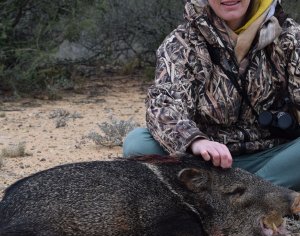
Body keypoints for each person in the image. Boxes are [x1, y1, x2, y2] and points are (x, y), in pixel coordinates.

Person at [123, 0, 300, 191]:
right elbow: (164, 103)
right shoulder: (182, 42)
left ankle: (236, 196)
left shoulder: (289, 37)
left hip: (271, 156)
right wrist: (195, 141)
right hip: (204, 162)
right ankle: (260, 196)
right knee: (138, 143)